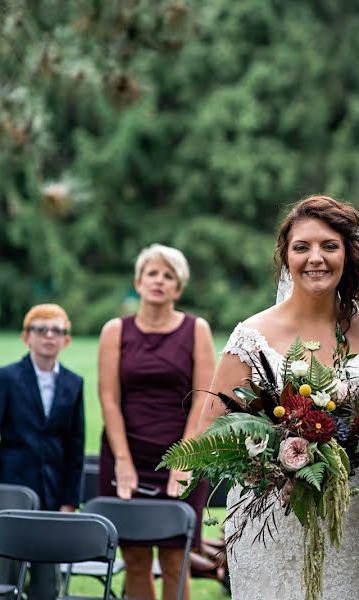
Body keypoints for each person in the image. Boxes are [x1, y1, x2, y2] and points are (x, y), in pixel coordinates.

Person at [198, 195, 359, 600]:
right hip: (270, 523)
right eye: (302, 247)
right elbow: (210, 434)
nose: (316, 258)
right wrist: (270, 457)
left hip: (356, 521)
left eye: (329, 246)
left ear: (348, 254)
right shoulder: (251, 336)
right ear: (285, 257)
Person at [97, 243, 218, 600]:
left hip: (183, 453)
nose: (159, 281)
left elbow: (204, 397)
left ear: (178, 289)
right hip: (126, 454)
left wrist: (185, 458)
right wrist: (122, 461)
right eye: (152, 273)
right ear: (138, 282)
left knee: (175, 559)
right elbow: (109, 399)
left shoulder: (196, 330)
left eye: (169, 276)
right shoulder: (114, 331)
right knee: (134, 558)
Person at [0, 303, 85, 600]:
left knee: (47, 575)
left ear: (67, 340)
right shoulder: (6, 378)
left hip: (53, 491)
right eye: (41, 330)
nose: (49, 336)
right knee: (9, 574)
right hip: (11, 489)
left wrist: (69, 499)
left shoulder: (74, 384)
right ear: (27, 337)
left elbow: (76, 445)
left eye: (57, 331)